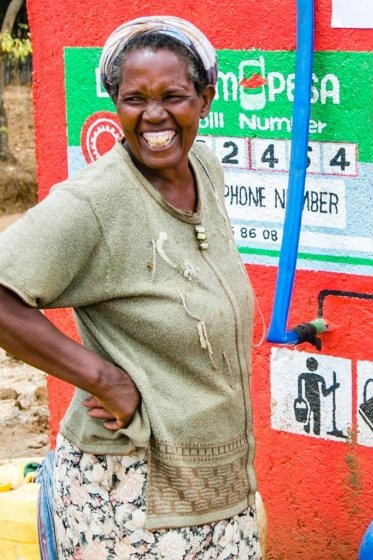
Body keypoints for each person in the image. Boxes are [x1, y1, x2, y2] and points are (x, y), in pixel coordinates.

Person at [0, 16, 261, 558]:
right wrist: (104, 379)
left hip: (216, 487)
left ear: (205, 99)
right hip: (130, 496)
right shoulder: (98, 201)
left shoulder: (205, 169)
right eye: (134, 98)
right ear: (115, 105)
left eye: (174, 96)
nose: (154, 115)